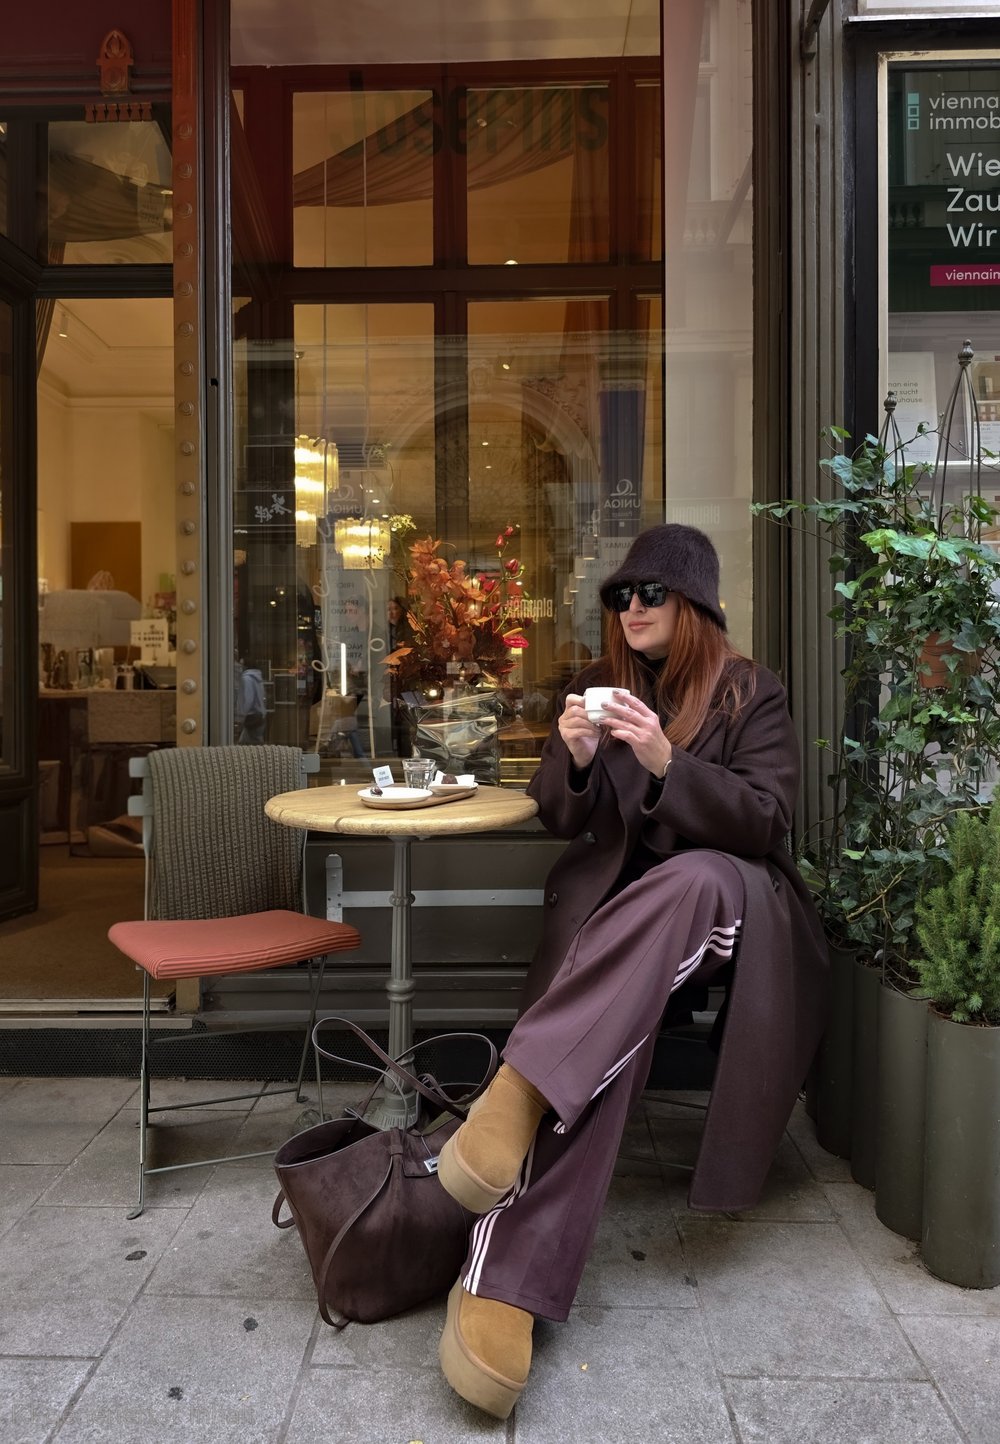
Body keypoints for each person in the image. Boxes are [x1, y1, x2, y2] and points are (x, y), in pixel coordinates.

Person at [434, 524, 829, 1419]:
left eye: (651, 593)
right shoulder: (594, 683)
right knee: (614, 1030)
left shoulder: (750, 691)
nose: (632, 608)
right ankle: (506, 1279)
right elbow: (555, 816)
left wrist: (664, 762)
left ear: (694, 604)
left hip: (729, 918)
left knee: (695, 877)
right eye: (621, 595)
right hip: (618, 941)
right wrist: (575, 759)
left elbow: (766, 821)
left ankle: (517, 1092)